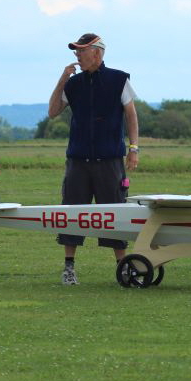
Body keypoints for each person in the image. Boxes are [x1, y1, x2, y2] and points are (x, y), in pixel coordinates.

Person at [48, 33, 140, 285]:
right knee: (72, 212)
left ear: (97, 53)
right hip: (78, 161)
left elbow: (131, 116)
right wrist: (62, 79)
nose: (77, 56)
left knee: (115, 212)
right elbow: (53, 112)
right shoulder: (73, 84)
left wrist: (134, 148)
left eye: (81, 51)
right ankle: (69, 268)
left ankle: (124, 267)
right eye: (76, 51)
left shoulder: (119, 80)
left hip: (109, 160)